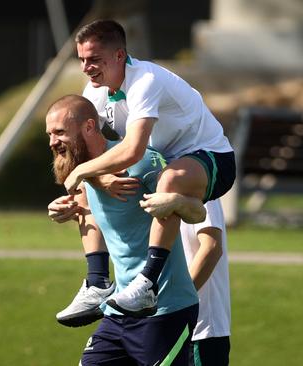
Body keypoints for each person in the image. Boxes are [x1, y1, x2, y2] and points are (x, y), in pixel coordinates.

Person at [58, 19, 236, 316]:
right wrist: (91, 183)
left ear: (119, 56)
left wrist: (81, 172)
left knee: (169, 181)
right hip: (162, 163)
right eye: (82, 60)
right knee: (90, 179)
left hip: (211, 158)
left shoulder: (145, 80)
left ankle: (147, 285)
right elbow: (87, 148)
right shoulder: (95, 90)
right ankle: (97, 281)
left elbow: (133, 149)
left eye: (94, 60)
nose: (86, 68)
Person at [47, 94, 199, 365]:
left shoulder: (141, 161)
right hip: (118, 311)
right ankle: (97, 284)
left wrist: (176, 202)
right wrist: (69, 211)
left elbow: (190, 211)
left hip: (165, 311)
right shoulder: (85, 174)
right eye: (49, 134)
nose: (52, 142)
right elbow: (96, 214)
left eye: (59, 132)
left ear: (89, 127)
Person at [181, 200, 231, 366]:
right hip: (165, 326)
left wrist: (176, 301)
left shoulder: (200, 185)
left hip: (199, 331)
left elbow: (212, 247)